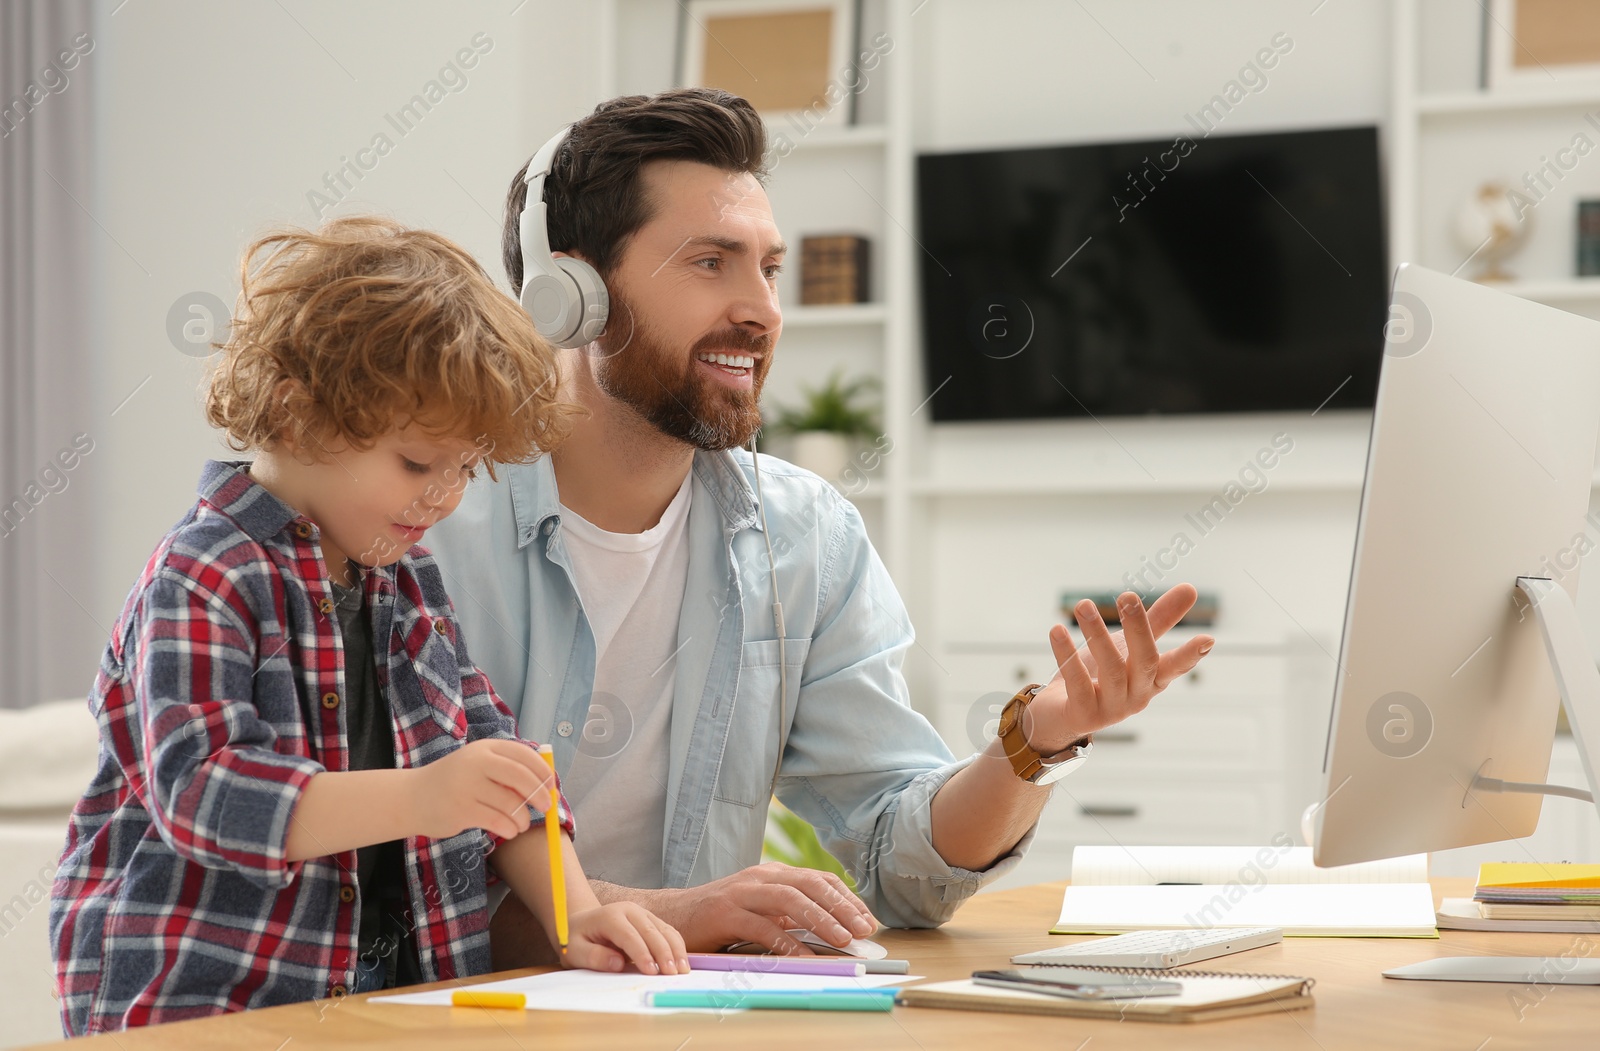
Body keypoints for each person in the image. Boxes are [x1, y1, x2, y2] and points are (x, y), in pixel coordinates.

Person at [425, 89, 1214, 962]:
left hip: (684, 1018)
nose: (761, 309)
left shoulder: (805, 537)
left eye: (769, 268)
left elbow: (897, 863)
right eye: (710, 262)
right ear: (569, 292)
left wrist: (1035, 742)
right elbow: (391, 871)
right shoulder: (426, 522)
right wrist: (672, 913)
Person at [48, 217, 686, 1036]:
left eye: (466, 468)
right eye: (419, 463)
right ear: (295, 410)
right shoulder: (205, 573)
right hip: (200, 1002)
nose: (445, 495)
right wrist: (423, 795)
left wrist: (575, 911)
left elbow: (508, 767)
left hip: (382, 995)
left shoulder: (408, 580)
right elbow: (203, 795)